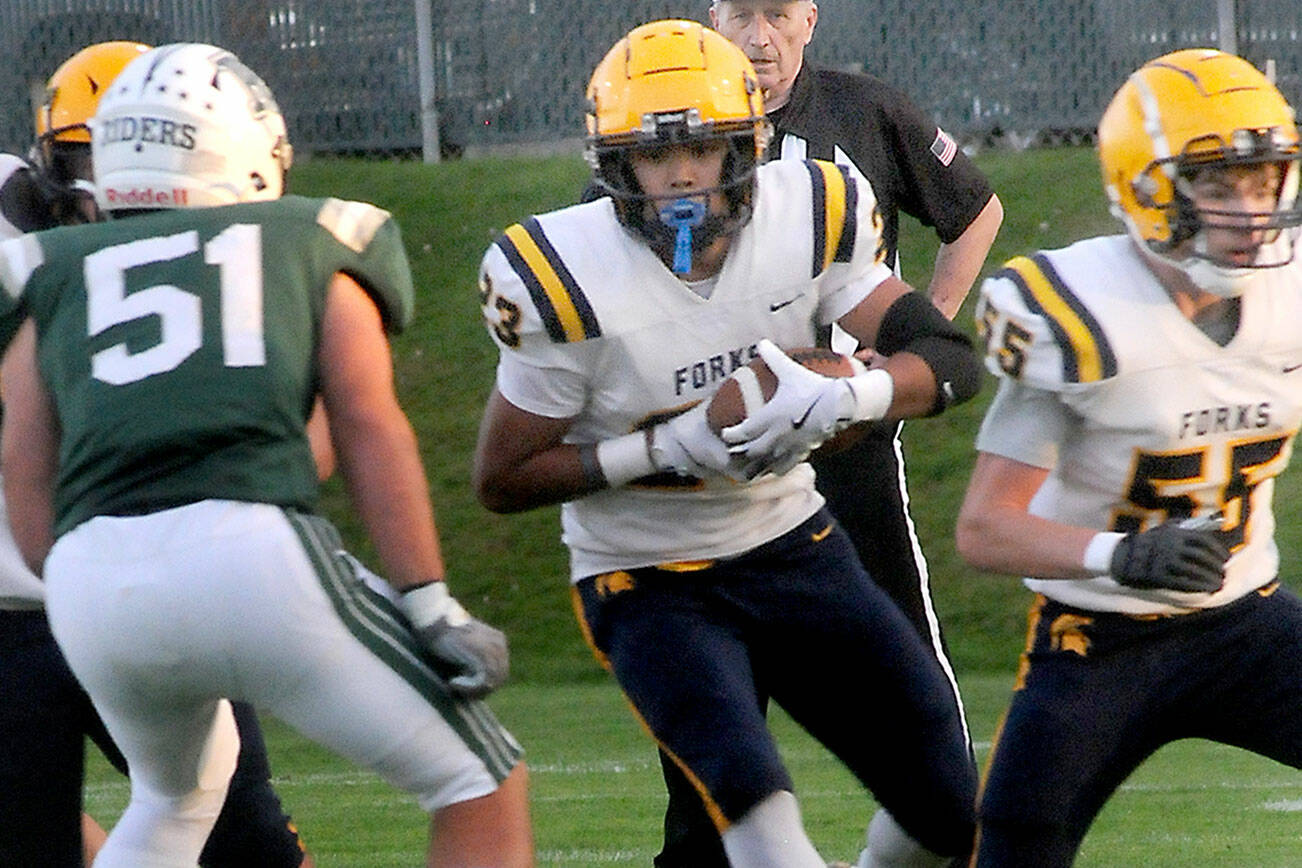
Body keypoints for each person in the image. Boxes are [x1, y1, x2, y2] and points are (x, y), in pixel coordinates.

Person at [0, 42, 532, 867]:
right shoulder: (312, 236)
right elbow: (368, 426)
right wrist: (430, 602)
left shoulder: (50, 268)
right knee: (480, 779)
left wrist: (71, 577)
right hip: (249, 556)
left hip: (89, 585)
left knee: (175, 798)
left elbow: (24, 462)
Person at [474, 19, 981, 868]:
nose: (681, 176)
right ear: (615, 165)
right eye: (654, 154)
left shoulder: (809, 212)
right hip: (646, 576)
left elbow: (950, 359)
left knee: (951, 809)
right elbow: (503, 477)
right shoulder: (564, 273)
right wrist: (668, 447)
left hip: (789, 542)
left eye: (703, 149)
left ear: (747, 146)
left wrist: (845, 394)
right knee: (757, 819)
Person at [647, 3, 1004, 865]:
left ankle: (952, 823)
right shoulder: (668, 134)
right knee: (712, 683)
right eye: (741, 13)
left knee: (907, 657)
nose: (759, 36)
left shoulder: (864, 112)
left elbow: (975, 210)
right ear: (712, 19)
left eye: (778, 12)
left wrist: (919, 335)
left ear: (810, 18)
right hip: (718, 452)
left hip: (847, 435)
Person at [954, 48, 1302, 866]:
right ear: (1147, 190)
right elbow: (985, 529)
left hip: (1246, 618)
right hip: (1099, 636)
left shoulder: (1291, 294)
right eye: (1220, 188)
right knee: (1015, 844)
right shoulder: (1082, 317)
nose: (1250, 212)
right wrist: (1122, 555)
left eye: (1263, 185)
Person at [0, 40, 317, 868]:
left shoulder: (221, 258)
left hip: (140, 583)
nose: (121, 182)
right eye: (95, 158)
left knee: (246, 834)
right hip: (16, 610)